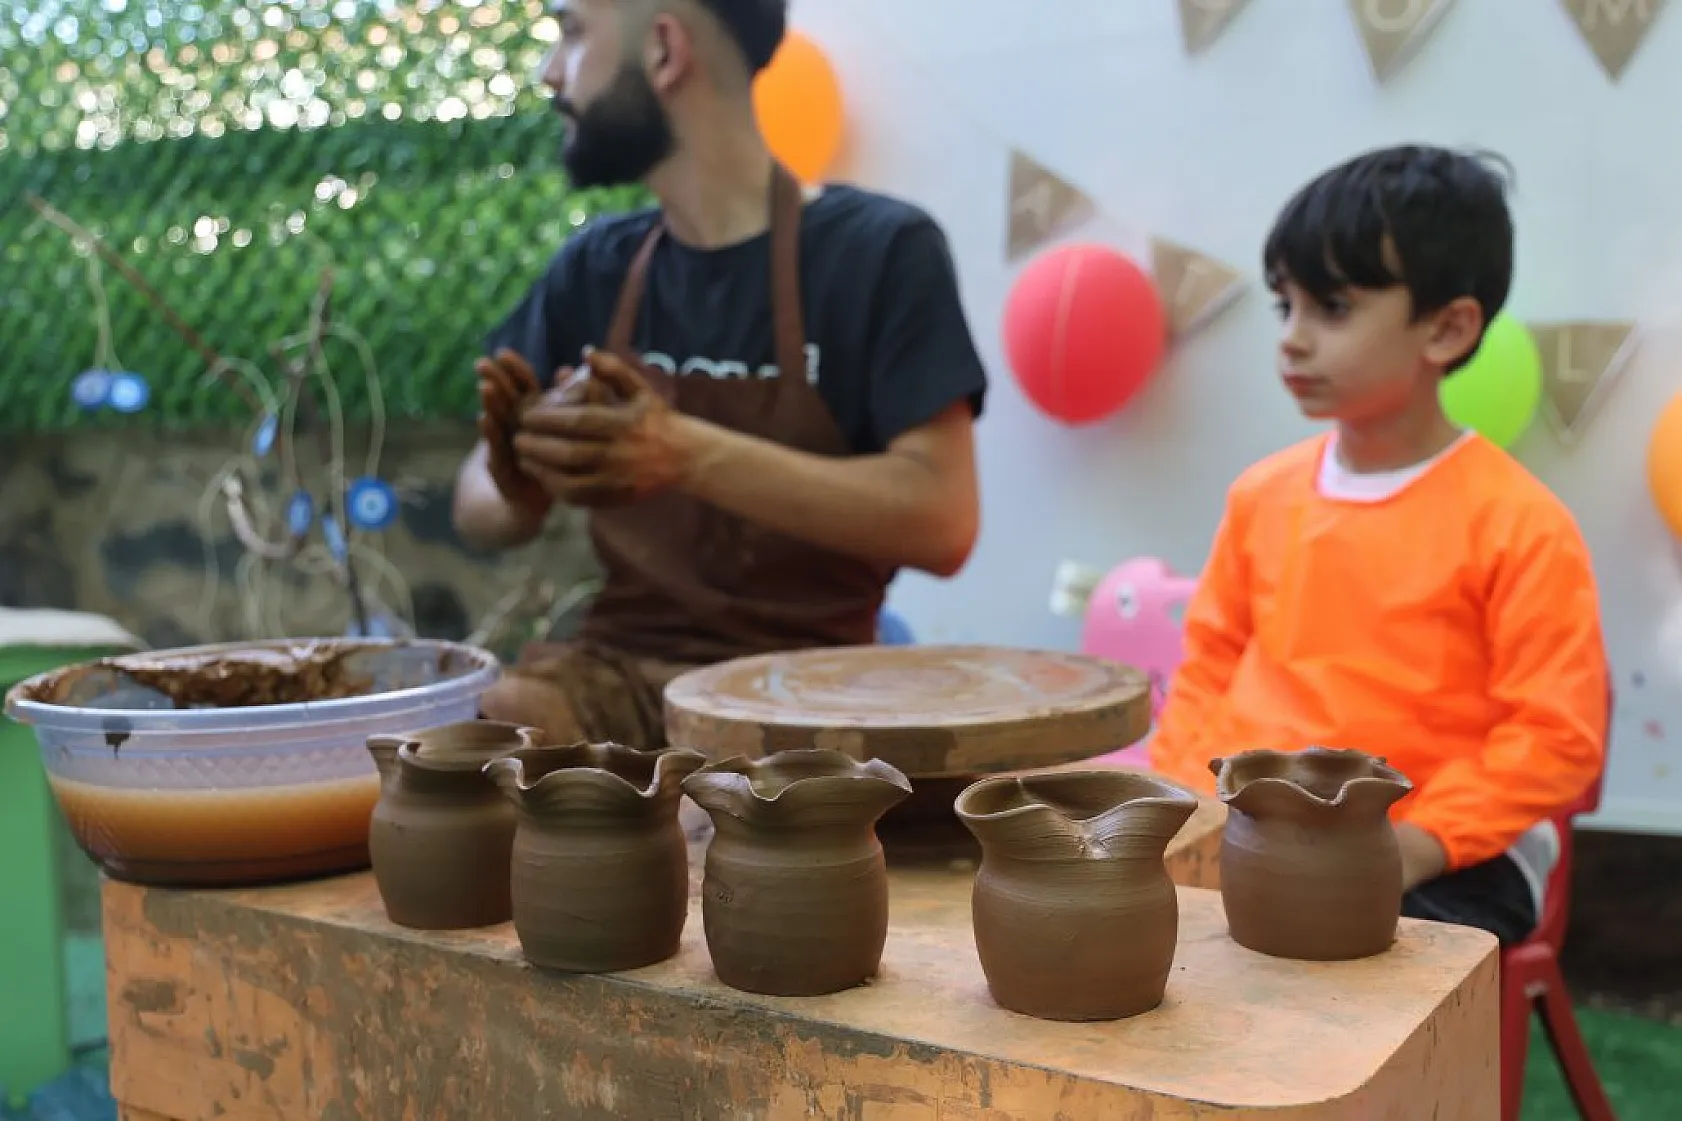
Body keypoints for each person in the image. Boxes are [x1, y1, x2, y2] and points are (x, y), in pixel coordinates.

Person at [454, 0, 988, 748]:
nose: (550, 71)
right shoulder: (594, 268)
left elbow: (942, 518)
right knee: (475, 736)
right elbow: (476, 499)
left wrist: (680, 451)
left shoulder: (877, 252)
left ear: (665, 52)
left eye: (572, 32)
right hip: (615, 683)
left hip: (814, 701)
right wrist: (517, 478)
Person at [1148, 144, 1609, 947]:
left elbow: (1554, 737)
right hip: (1255, 832)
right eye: (1282, 305)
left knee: (1318, 959)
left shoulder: (1520, 523)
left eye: (1331, 306)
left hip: (1452, 852)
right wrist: (1187, 804)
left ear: (1448, 328)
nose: (1292, 339)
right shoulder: (1261, 495)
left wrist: (1416, 844)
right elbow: (1209, 665)